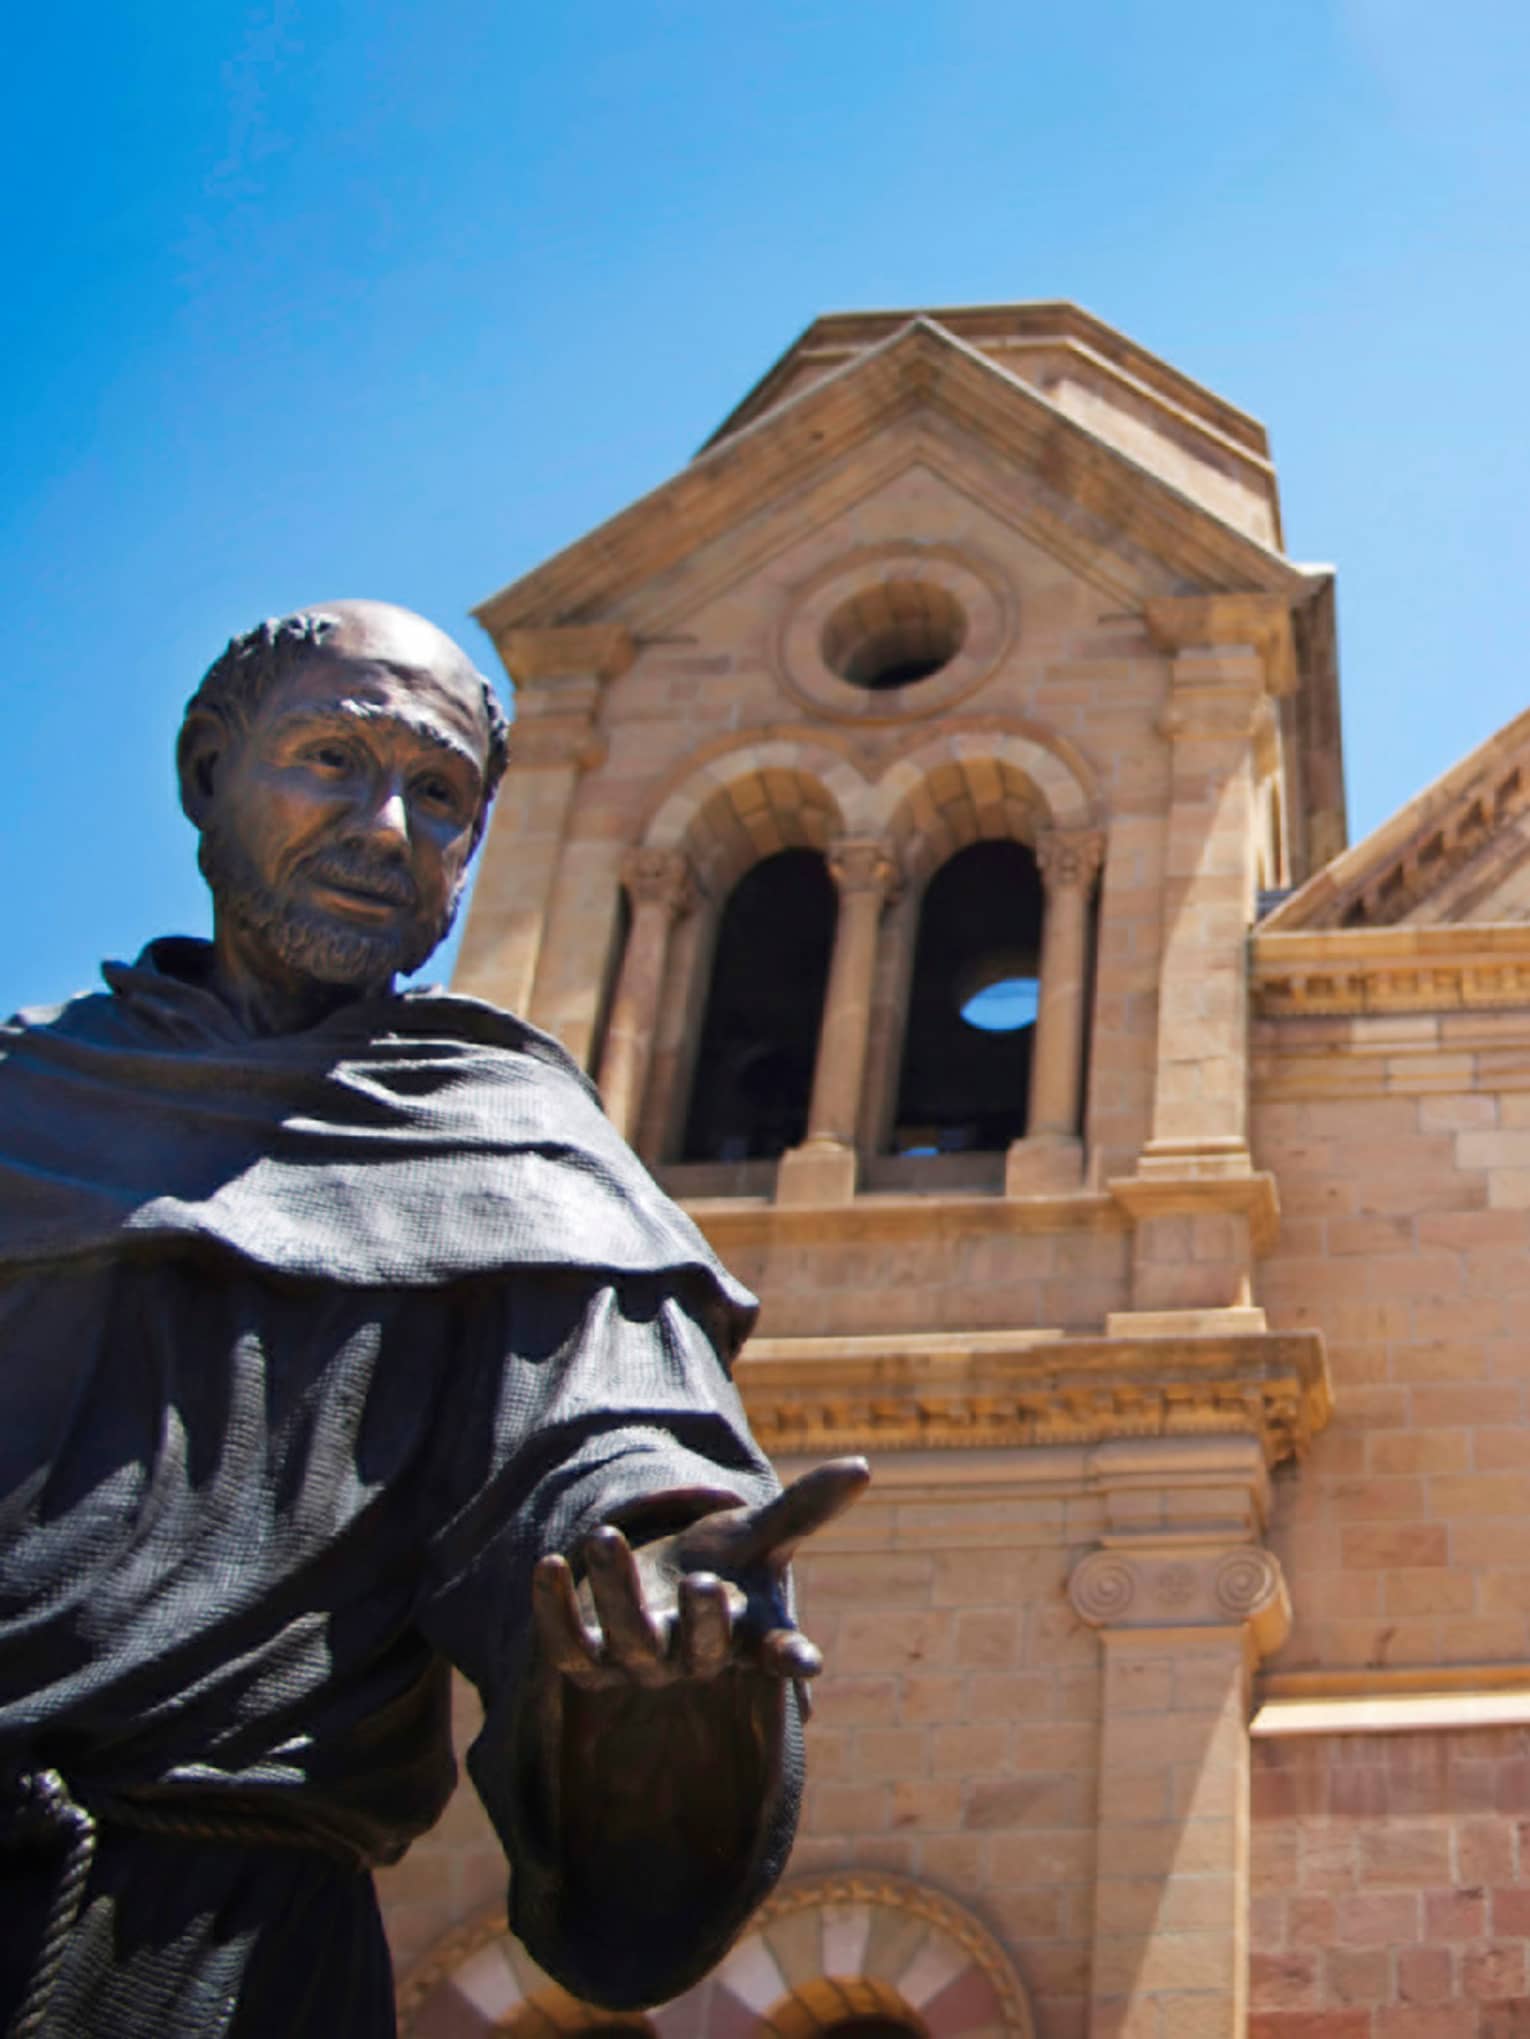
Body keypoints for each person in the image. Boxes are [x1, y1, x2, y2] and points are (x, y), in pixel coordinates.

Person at [0, 601, 866, 2038]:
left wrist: (661, 1630)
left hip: (215, 1957)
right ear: (207, 766)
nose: (386, 826)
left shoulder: (514, 1151)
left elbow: (611, 1461)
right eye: (332, 759)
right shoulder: (24, 1094)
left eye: (442, 794)